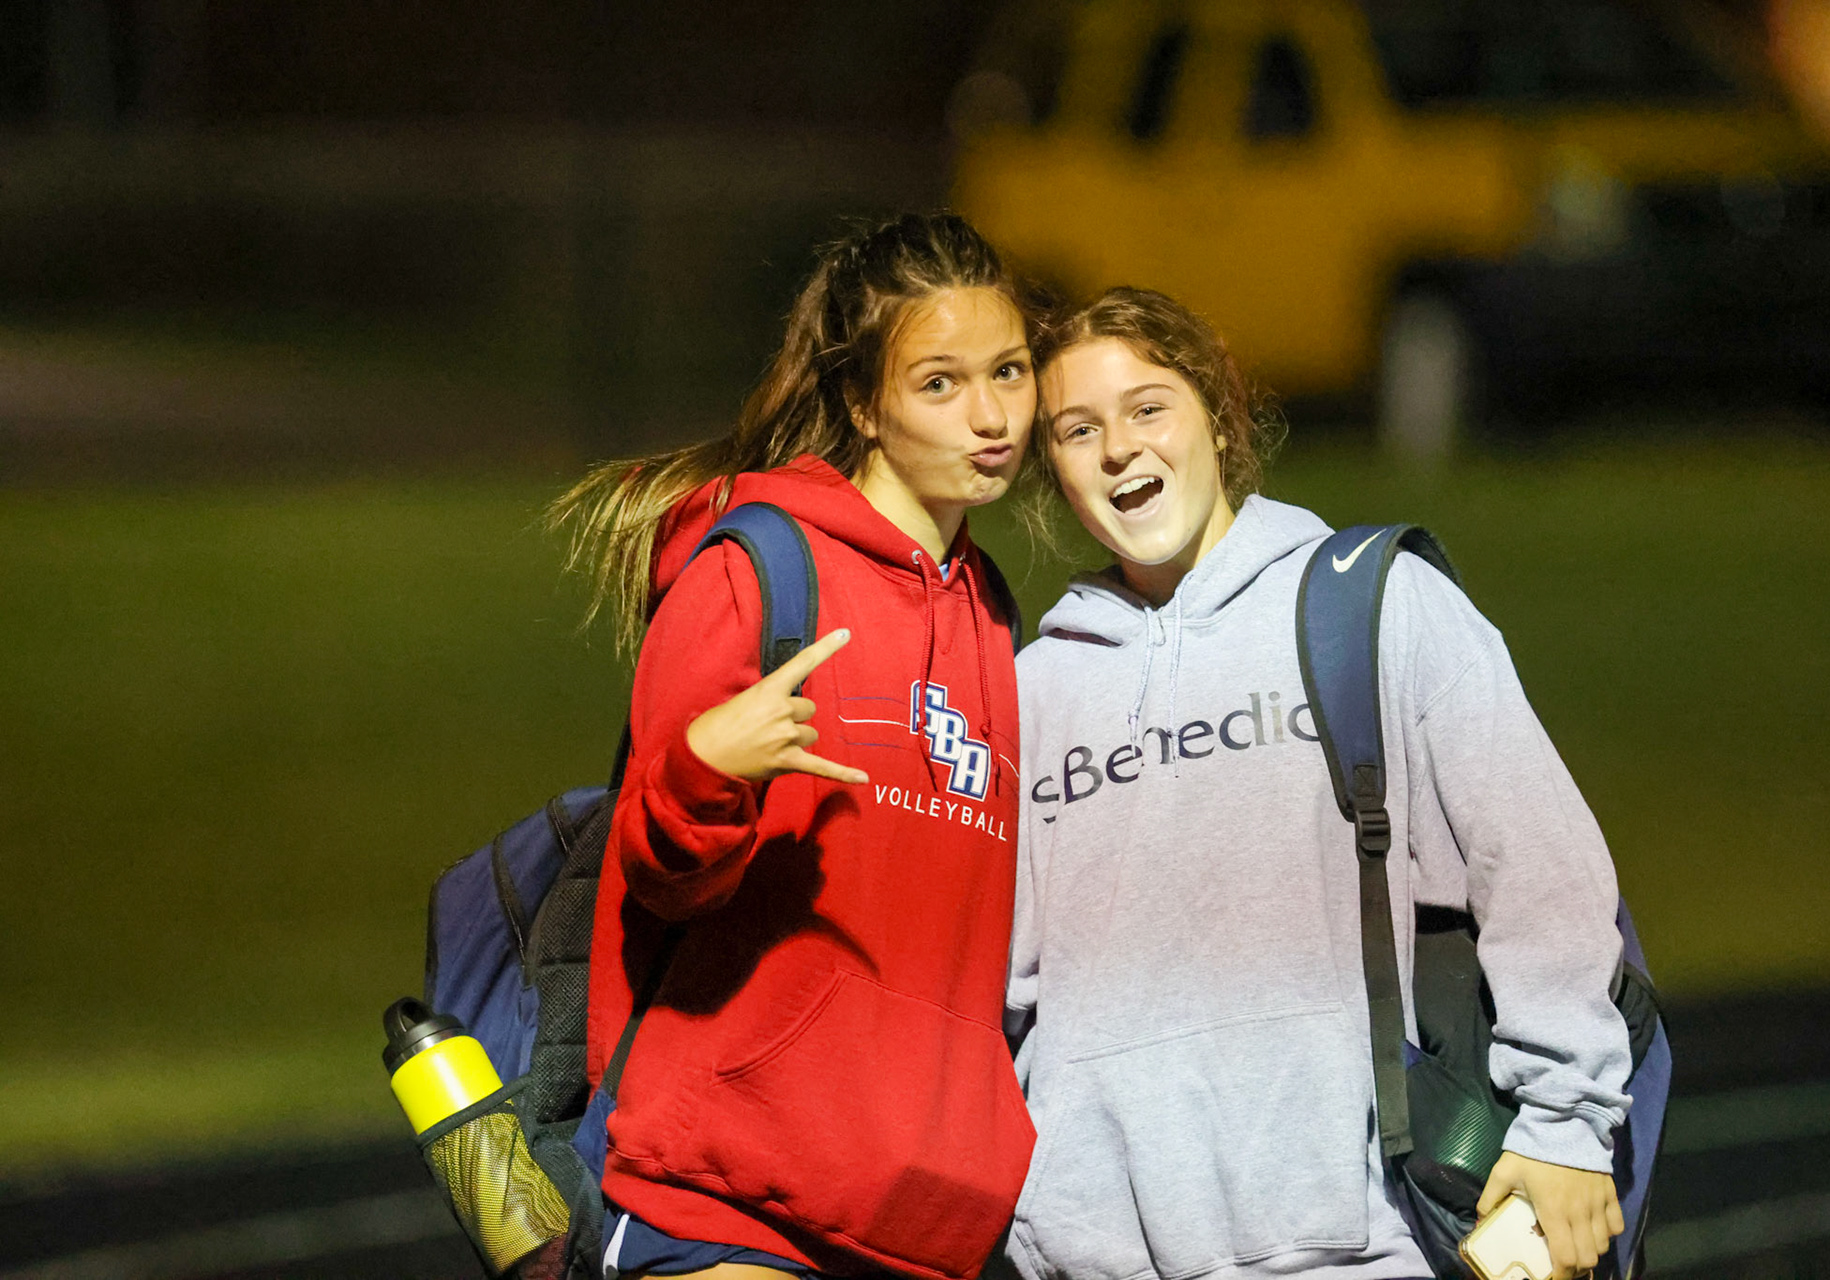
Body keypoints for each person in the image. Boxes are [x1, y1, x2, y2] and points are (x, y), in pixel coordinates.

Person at [1003, 288, 1632, 1280]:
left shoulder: (1377, 606)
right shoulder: (1033, 692)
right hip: (1100, 1257)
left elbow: (1537, 865)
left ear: (1219, 416)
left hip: (1361, 1245)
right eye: (1078, 430)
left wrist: (1566, 1120)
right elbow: (996, 991)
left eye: (1148, 407)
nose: (1119, 447)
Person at [552, 214, 1038, 1280]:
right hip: (724, 1199)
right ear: (863, 403)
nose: (993, 415)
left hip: (915, 1223)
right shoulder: (759, 569)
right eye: (942, 384)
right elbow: (662, 879)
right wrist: (702, 772)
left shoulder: (993, 613)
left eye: (1009, 371)